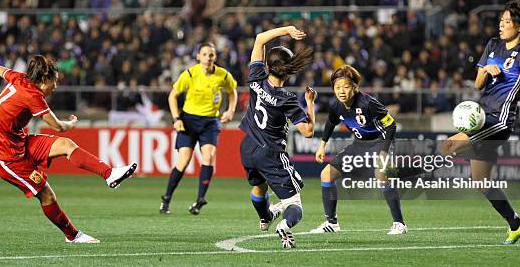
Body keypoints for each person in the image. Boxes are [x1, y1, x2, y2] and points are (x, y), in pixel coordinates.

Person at [441, 0, 520, 244]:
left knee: (448, 145)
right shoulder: (493, 45)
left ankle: (402, 172)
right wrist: (487, 68)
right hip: (482, 117)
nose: (501, 24)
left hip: (499, 121)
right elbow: (478, 83)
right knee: (480, 183)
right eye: (501, 20)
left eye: (507, 21)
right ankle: (516, 223)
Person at [0, 55, 137, 244]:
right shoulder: (33, 95)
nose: (55, 86)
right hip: (7, 157)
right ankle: (72, 235)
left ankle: (109, 174)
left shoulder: (19, 77)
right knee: (46, 195)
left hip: (19, 142)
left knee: (66, 145)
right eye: (54, 82)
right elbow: (58, 126)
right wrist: (71, 123)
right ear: (44, 80)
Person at [239, 25, 315, 249]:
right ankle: (285, 226)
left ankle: (265, 218)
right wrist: (310, 104)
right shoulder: (287, 99)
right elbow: (308, 132)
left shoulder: (256, 78)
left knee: (259, 187)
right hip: (269, 151)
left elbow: (260, 38)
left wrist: (288, 30)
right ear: (290, 71)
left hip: (247, 147)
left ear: (267, 66)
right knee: (294, 203)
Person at [311, 65, 407, 235]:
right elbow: (331, 122)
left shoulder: (368, 103)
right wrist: (322, 145)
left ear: (355, 87)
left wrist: (384, 153)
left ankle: (399, 224)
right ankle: (331, 223)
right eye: (337, 87)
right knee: (326, 174)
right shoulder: (336, 105)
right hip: (359, 145)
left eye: (346, 87)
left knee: (381, 174)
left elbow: (391, 125)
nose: (341, 91)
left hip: (380, 142)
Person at [160, 42, 238, 215]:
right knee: (184, 160)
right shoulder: (189, 74)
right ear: (198, 57)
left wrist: (231, 110)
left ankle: (200, 200)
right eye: (204, 54)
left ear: (215, 57)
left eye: (211, 55)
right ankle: (166, 198)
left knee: (209, 157)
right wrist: (176, 118)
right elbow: (173, 95)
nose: (208, 58)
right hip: (188, 120)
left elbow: (232, 91)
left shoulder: (223, 75)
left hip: (210, 121)